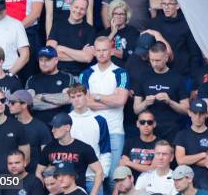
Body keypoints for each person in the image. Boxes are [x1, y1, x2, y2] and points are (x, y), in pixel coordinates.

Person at [80, 36, 130, 188]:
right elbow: (85, 102)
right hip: (93, 130)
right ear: (94, 52)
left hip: (114, 131)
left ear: (111, 51)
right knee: (94, 177)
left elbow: (121, 100)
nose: (101, 53)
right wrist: (111, 101)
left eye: (105, 50)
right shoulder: (86, 73)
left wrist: (98, 98)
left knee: (113, 178)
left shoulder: (121, 73)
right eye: (98, 50)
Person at [133, 41, 188, 141]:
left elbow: (186, 110)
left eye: (157, 60)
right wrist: (145, 103)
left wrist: (170, 102)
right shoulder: (143, 77)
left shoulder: (177, 78)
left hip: (171, 128)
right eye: (151, 60)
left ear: (166, 58)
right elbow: (136, 109)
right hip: (149, 128)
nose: (154, 64)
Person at [37, 112, 104, 194]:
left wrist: (93, 193)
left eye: (56, 127)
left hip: (76, 191)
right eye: (52, 127)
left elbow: (99, 171)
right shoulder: (49, 148)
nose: (53, 130)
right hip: (57, 191)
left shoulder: (84, 148)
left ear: (67, 127)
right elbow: (38, 172)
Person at [67, 83, 112, 194]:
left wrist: (101, 175)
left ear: (86, 96)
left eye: (79, 95)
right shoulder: (66, 120)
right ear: (70, 100)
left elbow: (105, 150)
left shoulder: (99, 120)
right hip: (71, 179)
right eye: (73, 97)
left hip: (94, 178)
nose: (76, 100)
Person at [150, 0, 202, 76]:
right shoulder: (155, 23)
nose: (166, 7)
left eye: (170, 4)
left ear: (177, 6)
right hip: (159, 72)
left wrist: (194, 79)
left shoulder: (187, 25)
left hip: (182, 73)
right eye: (163, 4)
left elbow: (194, 53)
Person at [47, 0, 96, 76]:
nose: (78, 11)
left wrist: (61, 48)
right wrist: (80, 55)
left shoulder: (90, 30)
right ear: (70, 7)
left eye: (82, 9)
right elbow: (50, 54)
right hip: (57, 73)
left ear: (86, 11)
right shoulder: (57, 25)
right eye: (76, 7)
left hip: (79, 75)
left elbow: (87, 58)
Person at [26, 45, 76, 125]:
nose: (43, 63)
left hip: (61, 126)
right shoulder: (32, 79)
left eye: (47, 60)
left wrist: (42, 97)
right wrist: (58, 100)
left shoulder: (67, 77)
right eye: (41, 60)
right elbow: (30, 103)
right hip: (38, 125)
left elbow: (67, 98)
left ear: (56, 60)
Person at [7, 89, 52, 173]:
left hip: (33, 175)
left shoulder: (40, 127)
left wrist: (40, 174)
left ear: (24, 104)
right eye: (9, 102)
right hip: (11, 175)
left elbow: (46, 155)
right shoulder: (8, 126)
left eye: (12, 102)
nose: (9, 105)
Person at [175, 98, 208, 178]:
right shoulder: (181, 135)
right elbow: (180, 161)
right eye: (195, 113)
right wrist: (203, 155)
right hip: (187, 179)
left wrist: (188, 158)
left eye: (201, 113)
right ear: (189, 113)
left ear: (206, 114)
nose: (198, 116)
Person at [98, 0, 139, 67]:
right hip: (107, 70)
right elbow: (99, 52)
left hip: (126, 69)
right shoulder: (104, 33)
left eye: (122, 14)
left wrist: (113, 52)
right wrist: (113, 33)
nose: (118, 16)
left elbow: (132, 55)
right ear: (111, 15)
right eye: (115, 13)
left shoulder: (133, 32)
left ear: (126, 16)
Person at [120, 110, 158, 181]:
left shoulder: (160, 144)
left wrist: (129, 163)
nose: (146, 125)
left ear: (154, 124)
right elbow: (122, 165)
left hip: (153, 183)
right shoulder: (130, 142)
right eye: (142, 122)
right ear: (137, 124)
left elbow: (152, 169)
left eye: (149, 122)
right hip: (131, 184)